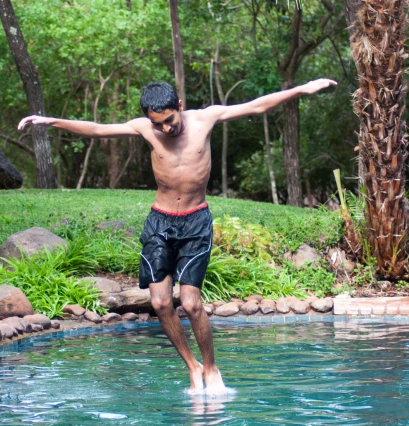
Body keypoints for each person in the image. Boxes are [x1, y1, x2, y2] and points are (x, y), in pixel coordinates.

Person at [18, 78, 336, 394]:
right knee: (159, 301)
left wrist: (299, 89)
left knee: (191, 304)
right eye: (159, 124)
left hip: (195, 223)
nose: (166, 128)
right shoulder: (146, 128)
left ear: (179, 106)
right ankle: (192, 367)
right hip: (160, 221)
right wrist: (50, 121)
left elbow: (256, 105)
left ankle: (211, 367)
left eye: (170, 120)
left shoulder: (205, 119)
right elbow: (98, 129)